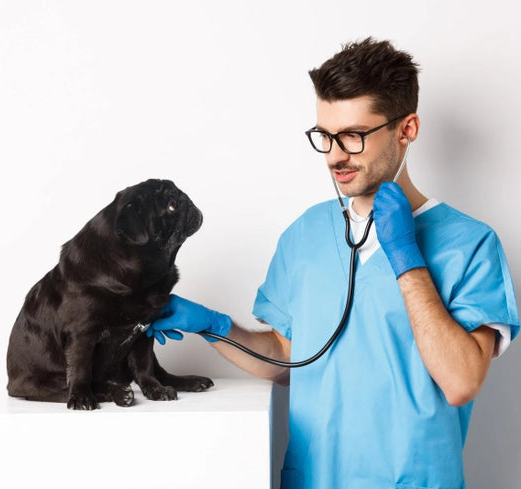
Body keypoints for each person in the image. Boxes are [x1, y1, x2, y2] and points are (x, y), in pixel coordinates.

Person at [145, 38, 520, 488]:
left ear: (407, 130)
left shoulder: (471, 244)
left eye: (353, 136)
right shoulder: (305, 234)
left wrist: (406, 258)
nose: (334, 155)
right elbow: (290, 359)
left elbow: (461, 382)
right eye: (324, 135)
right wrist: (212, 325)